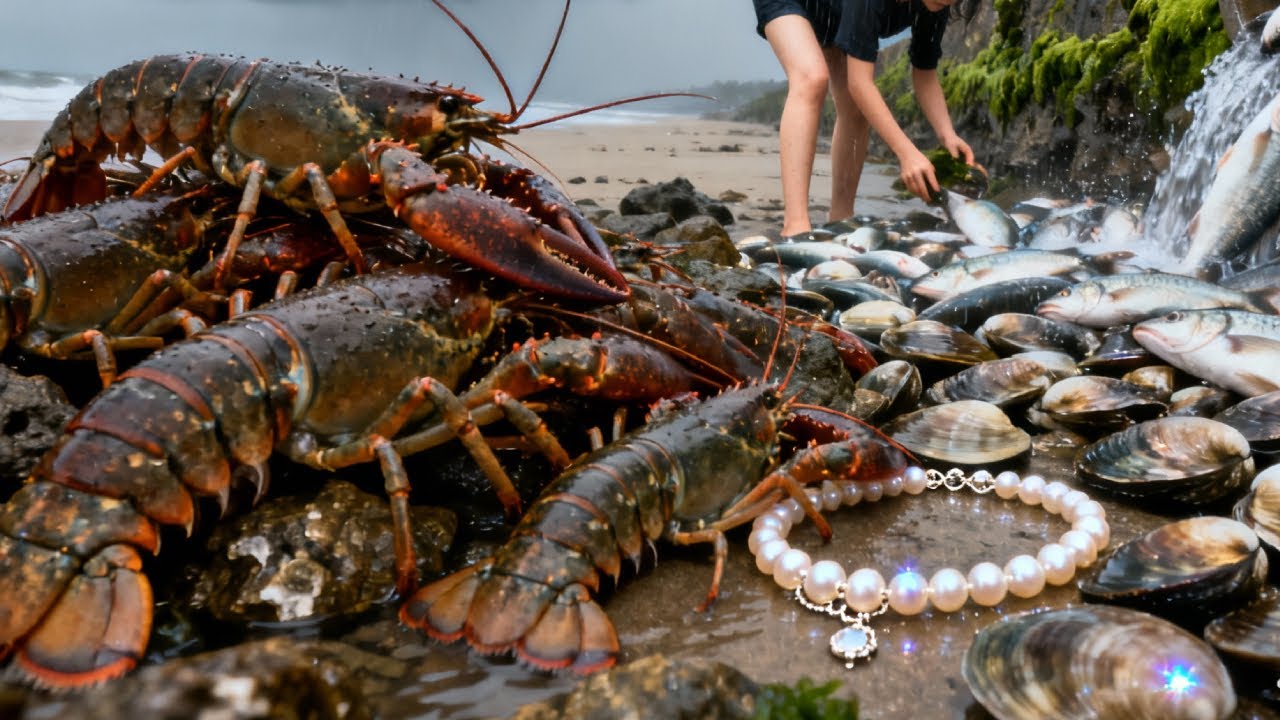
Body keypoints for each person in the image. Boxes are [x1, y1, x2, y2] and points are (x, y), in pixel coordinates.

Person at [753, 0, 978, 241]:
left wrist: (947, 135)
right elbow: (860, 83)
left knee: (854, 107)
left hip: (833, 9)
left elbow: (924, 73)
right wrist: (906, 154)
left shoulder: (938, 4)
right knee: (811, 78)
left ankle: (841, 219)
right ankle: (795, 226)